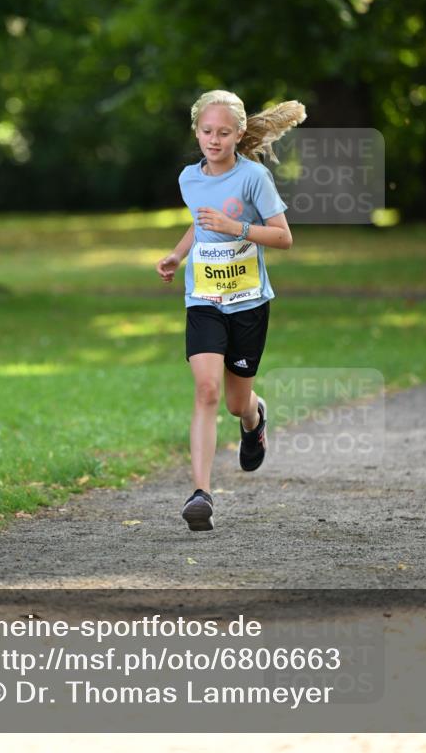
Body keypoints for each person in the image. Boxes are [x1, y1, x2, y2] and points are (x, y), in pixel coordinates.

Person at [156, 89, 306, 531]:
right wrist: (177, 255)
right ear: (196, 132)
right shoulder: (189, 177)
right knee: (206, 390)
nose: (214, 140)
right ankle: (200, 494)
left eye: (224, 133)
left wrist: (236, 227)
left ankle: (255, 419)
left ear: (239, 134)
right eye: (207, 132)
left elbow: (283, 237)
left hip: (248, 303)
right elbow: (199, 223)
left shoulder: (253, 178)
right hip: (203, 299)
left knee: (237, 403)